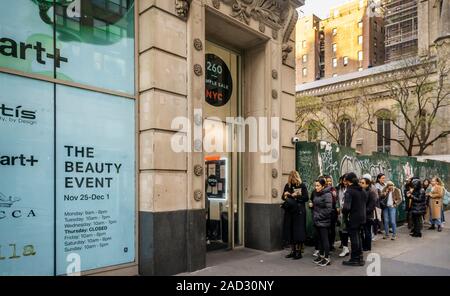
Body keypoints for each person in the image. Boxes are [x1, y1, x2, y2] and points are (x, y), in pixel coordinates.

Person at [281, 171, 309, 259]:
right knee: (290, 230)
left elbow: (306, 198)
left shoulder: (302, 185)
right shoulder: (287, 185)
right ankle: (293, 251)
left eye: (294, 177)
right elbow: (283, 197)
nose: (292, 179)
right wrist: (286, 195)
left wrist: (295, 196)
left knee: (298, 232)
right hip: (290, 211)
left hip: (299, 212)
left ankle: (298, 252)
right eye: (291, 177)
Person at [342, 172, 367, 266]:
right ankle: (360, 258)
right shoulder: (362, 190)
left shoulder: (349, 191)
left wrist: (344, 213)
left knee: (354, 238)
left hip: (353, 218)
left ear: (348, 181)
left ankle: (355, 259)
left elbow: (346, 207)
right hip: (362, 217)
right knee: (359, 237)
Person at [311, 178, 333, 266]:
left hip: (323, 220)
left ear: (323, 186)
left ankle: (327, 258)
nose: (316, 187)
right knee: (319, 240)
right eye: (315, 185)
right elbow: (317, 206)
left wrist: (318, 216)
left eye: (318, 186)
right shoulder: (317, 193)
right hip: (317, 220)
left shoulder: (327, 194)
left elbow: (328, 209)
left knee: (324, 240)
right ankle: (321, 255)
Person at [360, 174, 377, 252]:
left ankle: (367, 246)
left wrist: (364, 212)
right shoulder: (361, 191)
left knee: (367, 231)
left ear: (367, 184)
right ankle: (364, 246)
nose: (361, 184)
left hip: (367, 216)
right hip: (361, 215)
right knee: (362, 231)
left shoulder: (371, 192)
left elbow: (371, 206)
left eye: (362, 183)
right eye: (360, 182)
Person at [336, 175, 350, 257]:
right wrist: (337, 207)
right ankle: (345, 247)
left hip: (348, 213)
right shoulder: (339, 188)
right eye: (343, 181)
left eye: (346, 181)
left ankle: (346, 248)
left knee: (346, 230)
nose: (345, 183)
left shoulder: (351, 189)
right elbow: (337, 199)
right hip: (340, 212)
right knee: (341, 230)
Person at [325, 175, 338, 252]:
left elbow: (336, 200)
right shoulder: (323, 190)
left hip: (333, 212)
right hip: (326, 212)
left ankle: (331, 244)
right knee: (326, 229)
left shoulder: (334, 189)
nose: (329, 183)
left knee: (332, 229)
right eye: (327, 181)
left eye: (330, 181)